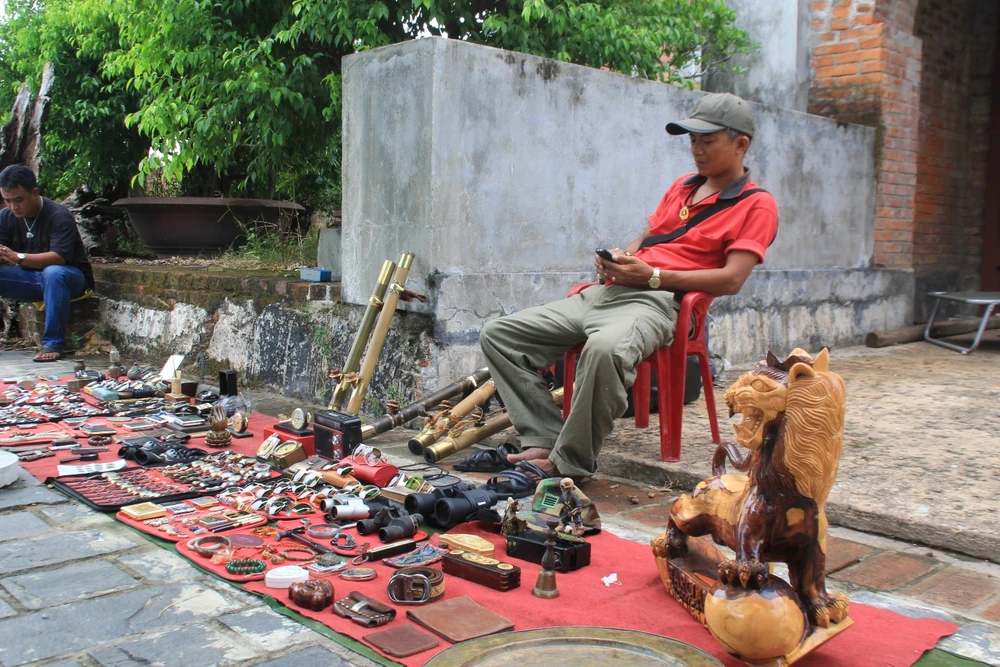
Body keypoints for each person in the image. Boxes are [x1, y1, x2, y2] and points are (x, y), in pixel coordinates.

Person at [480, 92, 779, 480]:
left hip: (661, 304)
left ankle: (570, 462)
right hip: (610, 292)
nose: (696, 150)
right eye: (692, 140)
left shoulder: (757, 205)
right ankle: (542, 436)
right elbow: (650, 238)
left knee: (605, 350)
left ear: (741, 144)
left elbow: (732, 279)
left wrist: (652, 277)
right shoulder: (683, 187)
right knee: (499, 335)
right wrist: (621, 259)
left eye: (707, 141)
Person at [0, 164, 93, 361]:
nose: (13, 207)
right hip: (31, 280)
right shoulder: (6, 217)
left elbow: (59, 257)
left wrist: (18, 257)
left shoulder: (59, 215)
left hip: (69, 278)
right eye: (7, 201)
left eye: (18, 200)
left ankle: (53, 343)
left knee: (53, 272)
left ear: (35, 192)